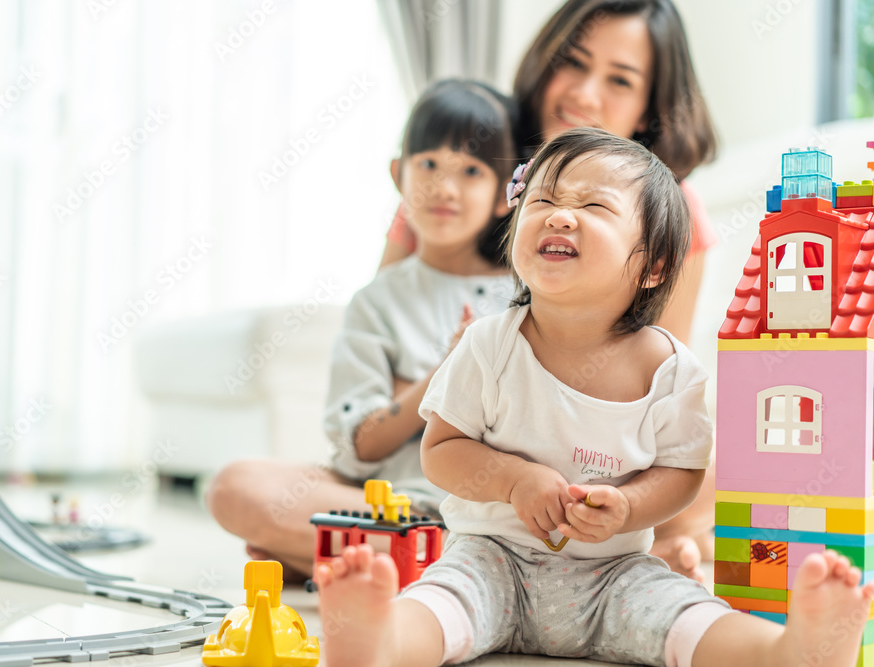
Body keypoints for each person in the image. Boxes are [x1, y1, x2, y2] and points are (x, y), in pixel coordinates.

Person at [315, 127, 874, 667]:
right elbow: (440, 449)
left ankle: (787, 654)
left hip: (616, 574)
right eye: (543, 199)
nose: (560, 214)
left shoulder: (671, 370)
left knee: (688, 615)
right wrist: (512, 479)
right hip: (493, 559)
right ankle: (379, 645)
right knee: (442, 603)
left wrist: (630, 505)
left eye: (595, 208)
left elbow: (682, 473)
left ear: (653, 266)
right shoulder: (488, 343)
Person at [380, 0, 717, 580]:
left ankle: (388, 548)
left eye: (619, 79)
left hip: (596, 476)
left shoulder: (669, 218)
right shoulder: (460, 171)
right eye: (573, 62)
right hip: (441, 453)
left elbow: (653, 403)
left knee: (712, 468)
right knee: (241, 489)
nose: (585, 93)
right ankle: (413, 541)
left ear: (648, 107)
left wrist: (622, 503)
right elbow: (380, 342)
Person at [206, 79, 519, 579]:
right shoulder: (379, 300)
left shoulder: (528, 295)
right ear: (399, 175)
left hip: (499, 510)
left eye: (472, 170)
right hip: (397, 508)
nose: (445, 187)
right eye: (429, 164)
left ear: (505, 196)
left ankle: (339, 554)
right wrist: (444, 375)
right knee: (234, 487)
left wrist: (403, 401)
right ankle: (420, 558)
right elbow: (361, 445)